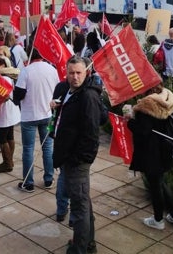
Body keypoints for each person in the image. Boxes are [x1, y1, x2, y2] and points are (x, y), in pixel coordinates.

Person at [52, 56, 102, 254]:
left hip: (77, 160)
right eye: (71, 73)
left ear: (86, 72)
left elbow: (92, 134)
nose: (75, 77)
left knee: (80, 208)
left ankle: (80, 248)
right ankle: (89, 242)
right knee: (83, 202)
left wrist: (79, 159)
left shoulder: (88, 96)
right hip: (68, 156)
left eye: (79, 73)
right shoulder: (68, 90)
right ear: (66, 72)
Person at [125, 83, 173, 231]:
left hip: (151, 153)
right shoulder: (165, 97)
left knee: (155, 186)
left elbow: (143, 131)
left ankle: (158, 220)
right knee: (161, 183)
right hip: (164, 150)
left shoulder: (147, 106)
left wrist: (130, 120)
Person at [13, 49, 59, 190]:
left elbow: (19, 94)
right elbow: (57, 90)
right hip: (48, 114)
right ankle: (49, 179)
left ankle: (28, 182)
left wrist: (14, 99)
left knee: (28, 149)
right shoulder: (52, 70)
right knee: (48, 147)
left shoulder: (26, 71)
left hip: (30, 116)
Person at [0, 57, 21, 173]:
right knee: (9, 136)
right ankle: (9, 161)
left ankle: (7, 163)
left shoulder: (4, 78)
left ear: (3, 66)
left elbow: (3, 95)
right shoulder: (6, 77)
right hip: (8, 110)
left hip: (6, 110)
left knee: (2, 137)